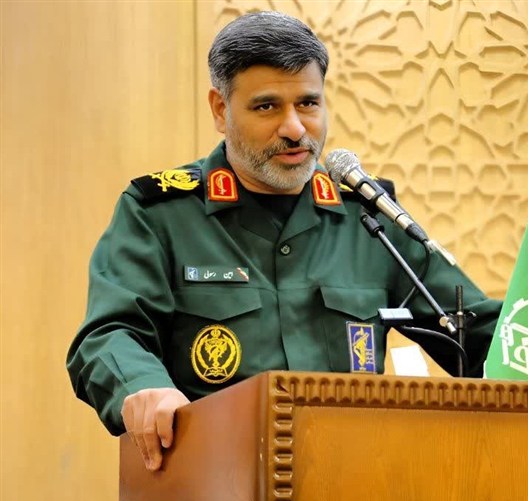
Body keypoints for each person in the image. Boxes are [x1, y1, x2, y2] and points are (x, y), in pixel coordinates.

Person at [67, 11, 501, 472]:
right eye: (267, 107)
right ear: (220, 110)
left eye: (308, 103)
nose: (294, 128)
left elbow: (482, 335)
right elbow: (108, 335)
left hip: (352, 488)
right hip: (210, 485)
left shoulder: (369, 220)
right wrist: (141, 386)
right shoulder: (161, 214)